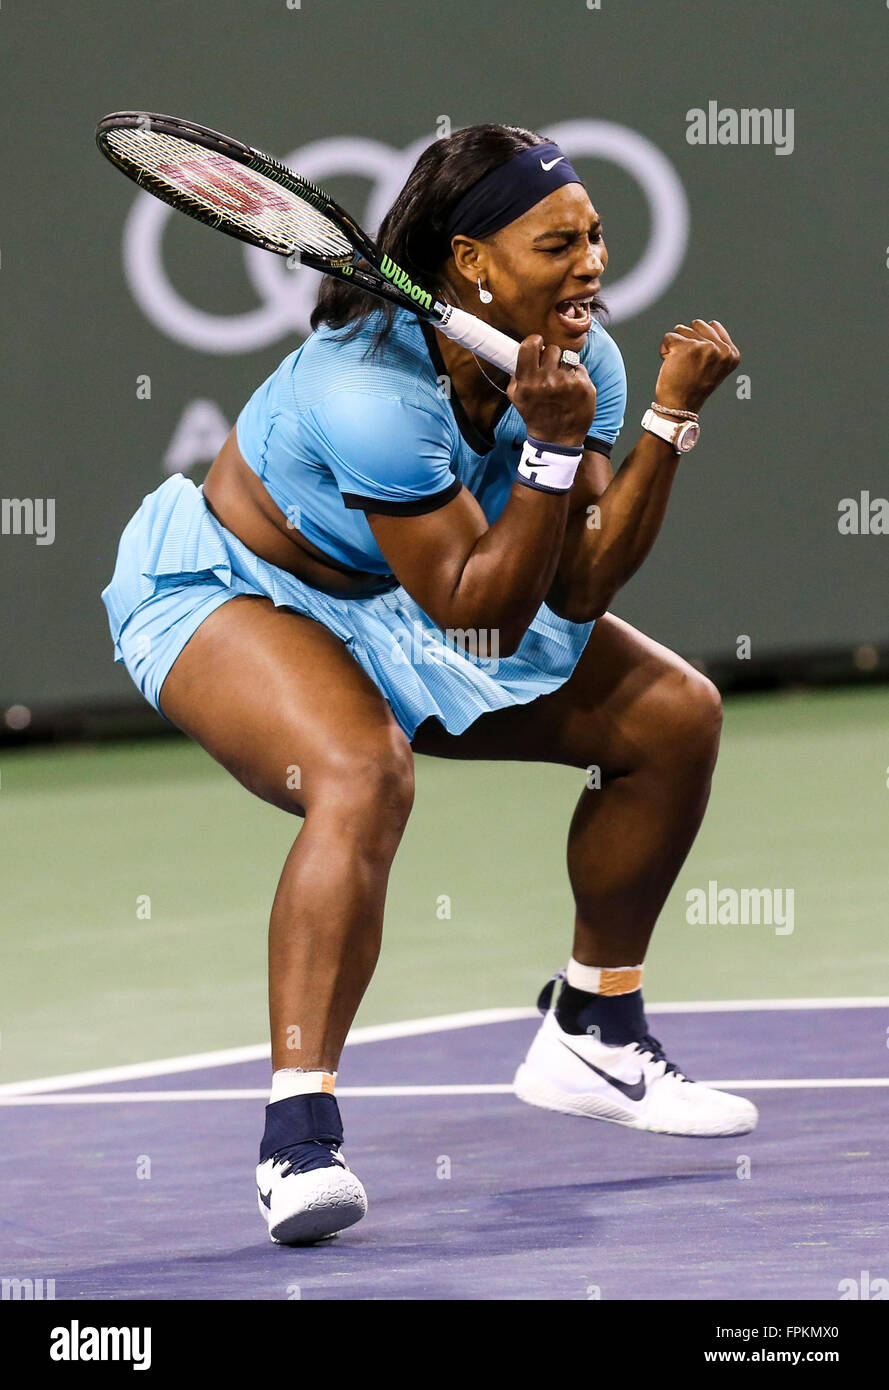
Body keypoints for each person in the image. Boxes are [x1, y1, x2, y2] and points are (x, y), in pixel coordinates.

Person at [102, 123, 754, 1247]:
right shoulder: (370, 392)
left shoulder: (577, 351)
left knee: (671, 715)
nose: (592, 263)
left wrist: (663, 420)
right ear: (471, 262)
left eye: (597, 236)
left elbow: (581, 581)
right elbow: (480, 614)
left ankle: (593, 1027)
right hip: (236, 590)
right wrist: (548, 453)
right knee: (360, 772)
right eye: (559, 243)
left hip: (419, 591)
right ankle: (296, 1136)